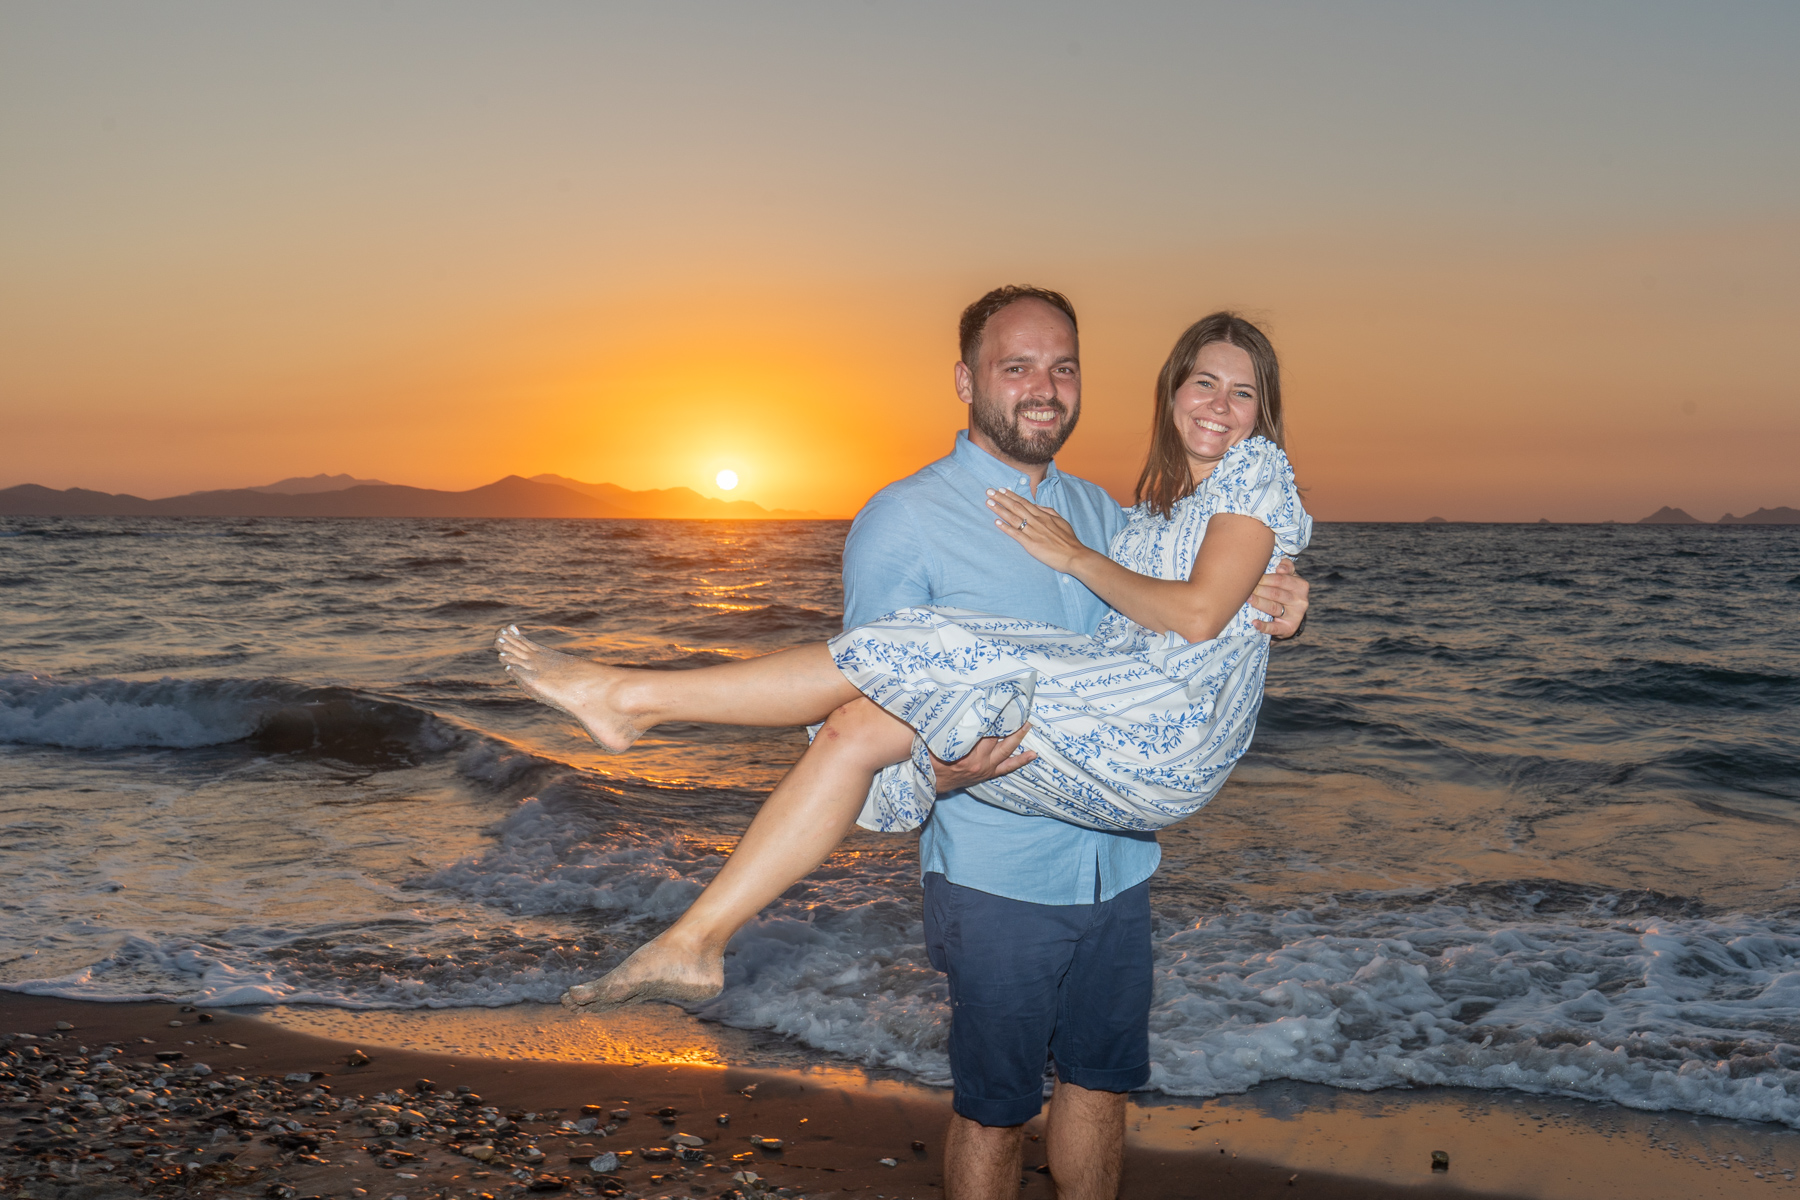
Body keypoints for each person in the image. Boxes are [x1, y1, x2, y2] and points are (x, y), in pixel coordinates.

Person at [497, 289, 1311, 1199]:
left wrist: (1282, 609)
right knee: (995, 1107)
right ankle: (655, 787)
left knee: (1100, 1086)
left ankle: (643, 732)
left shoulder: (1105, 512)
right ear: (967, 380)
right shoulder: (906, 517)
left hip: (1117, 864)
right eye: (1018, 367)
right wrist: (940, 771)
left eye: (1063, 367)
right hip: (999, 873)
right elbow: (869, 703)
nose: (1045, 388)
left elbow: (1192, 604)